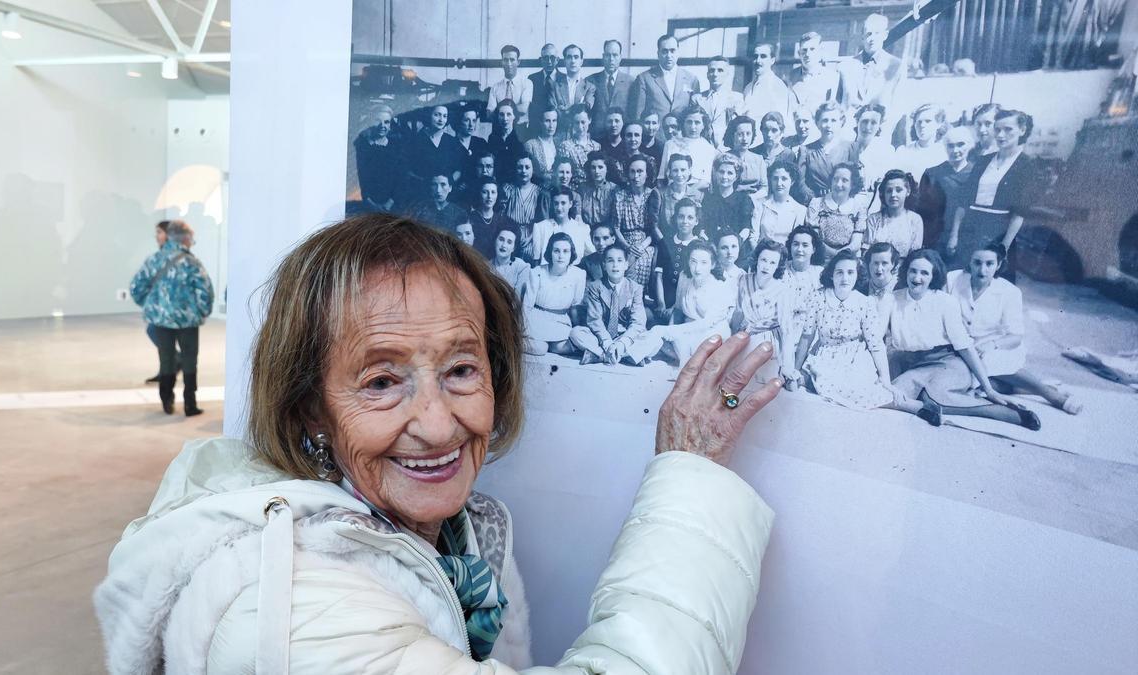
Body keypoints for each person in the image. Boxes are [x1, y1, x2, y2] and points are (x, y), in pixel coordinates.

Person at [95, 214, 781, 674]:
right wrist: (689, 473)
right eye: (383, 380)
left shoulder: (445, 534)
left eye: (460, 369)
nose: (440, 422)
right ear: (310, 408)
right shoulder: (293, 604)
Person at [885, 249, 1040, 429]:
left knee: (935, 396)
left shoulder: (945, 302)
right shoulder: (893, 299)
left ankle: (1008, 414)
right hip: (913, 366)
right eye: (913, 271)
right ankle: (927, 408)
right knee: (891, 396)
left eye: (924, 273)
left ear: (933, 276)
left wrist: (988, 389)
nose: (917, 277)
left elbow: (965, 346)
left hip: (947, 362)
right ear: (906, 272)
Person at [948, 241, 1083, 414]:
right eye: (977, 263)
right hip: (958, 346)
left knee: (987, 362)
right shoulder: (953, 279)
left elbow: (1015, 336)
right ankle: (1025, 387)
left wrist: (991, 345)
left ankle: (1049, 394)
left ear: (999, 265)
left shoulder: (1009, 292)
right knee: (966, 382)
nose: (982, 270)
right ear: (969, 261)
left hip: (994, 347)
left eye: (989, 264)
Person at [782, 250, 895, 411]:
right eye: (839, 272)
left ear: (857, 275)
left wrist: (885, 379)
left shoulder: (865, 303)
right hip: (825, 356)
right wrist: (796, 369)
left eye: (850, 272)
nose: (845, 278)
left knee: (863, 392)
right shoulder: (818, 298)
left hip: (855, 359)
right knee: (798, 384)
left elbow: (876, 345)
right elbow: (806, 337)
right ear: (831, 275)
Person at [128, 221, 214, 416]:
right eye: (191, 238)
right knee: (190, 360)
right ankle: (190, 405)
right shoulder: (192, 262)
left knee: (166, 360)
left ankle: (167, 401)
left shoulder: (154, 259)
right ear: (185, 239)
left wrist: (152, 306)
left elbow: (136, 287)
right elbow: (205, 291)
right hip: (188, 321)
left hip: (160, 320)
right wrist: (202, 312)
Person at [947, 109, 1042, 273]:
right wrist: (954, 235)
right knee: (960, 278)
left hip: (998, 234)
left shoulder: (1027, 166)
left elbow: (1019, 214)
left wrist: (1004, 247)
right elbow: (963, 202)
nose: (1000, 135)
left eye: (1008, 129)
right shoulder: (983, 161)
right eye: (997, 129)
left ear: (1022, 130)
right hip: (969, 231)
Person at [631, 240, 734, 366]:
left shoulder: (720, 286)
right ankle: (633, 355)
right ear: (688, 261)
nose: (697, 268)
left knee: (664, 335)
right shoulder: (684, 277)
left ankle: (638, 354)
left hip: (711, 333)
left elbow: (706, 323)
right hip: (686, 331)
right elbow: (678, 310)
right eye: (693, 261)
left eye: (704, 263)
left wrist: (672, 332)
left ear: (712, 265)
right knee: (659, 334)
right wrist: (669, 330)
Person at [571, 243, 648, 365]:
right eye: (610, 261)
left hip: (624, 336)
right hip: (601, 337)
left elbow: (638, 322)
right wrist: (607, 343)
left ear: (626, 264)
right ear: (604, 265)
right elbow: (594, 320)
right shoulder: (595, 286)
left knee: (653, 339)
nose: (615, 265)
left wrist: (622, 343)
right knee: (576, 333)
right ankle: (622, 356)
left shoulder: (635, 288)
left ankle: (600, 355)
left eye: (619, 260)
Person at [732, 240, 793, 383]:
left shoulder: (782, 289)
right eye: (764, 260)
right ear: (757, 260)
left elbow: (787, 329)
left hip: (769, 338)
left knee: (757, 378)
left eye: (772, 263)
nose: (766, 266)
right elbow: (738, 311)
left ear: (778, 265)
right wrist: (732, 338)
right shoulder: (743, 280)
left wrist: (787, 364)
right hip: (746, 333)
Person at [522, 233, 586, 356]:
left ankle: (554, 345)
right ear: (550, 253)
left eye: (565, 251)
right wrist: (523, 328)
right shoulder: (537, 272)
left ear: (571, 254)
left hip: (560, 321)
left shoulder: (579, 275)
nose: (561, 256)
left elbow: (576, 304)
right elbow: (527, 306)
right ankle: (511, 340)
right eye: (556, 251)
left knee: (561, 347)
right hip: (536, 319)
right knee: (540, 349)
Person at [916, 125, 976, 249]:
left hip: (966, 238)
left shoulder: (977, 174)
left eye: (960, 144)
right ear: (945, 147)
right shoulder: (932, 173)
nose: (955, 150)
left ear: (970, 145)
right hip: (935, 238)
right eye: (951, 145)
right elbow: (922, 210)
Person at [611, 156, 662, 288]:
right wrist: (628, 246)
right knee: (624, 261)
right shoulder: (620, 196)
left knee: (647, 258)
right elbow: (616, 228)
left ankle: (642, 296)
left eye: (640, 171)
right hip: (624, 242)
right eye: (632, 171)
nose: (636, 176)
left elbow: (654, 227)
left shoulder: (652, 195)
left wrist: (643, 245)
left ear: (647, 174)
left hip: (646, 242)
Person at [837, 13, 903, 112]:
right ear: (862, 36)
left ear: (885, 35)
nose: (872, 38)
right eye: (868, 33)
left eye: (877, 33)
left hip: (879, 125)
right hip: (848, 125)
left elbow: (897, 107)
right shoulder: (846, 67)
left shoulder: (896, 66)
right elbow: (837, 105)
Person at [652, 199, 702, 322]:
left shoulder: (699, 246)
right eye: (681, 217)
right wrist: (661, 304)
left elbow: (694, 284)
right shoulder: (666, 242)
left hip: (686, 301)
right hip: (664, 297)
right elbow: (659, 276)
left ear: (696, 221)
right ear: (675, 219)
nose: (685, 221)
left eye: (690, 218)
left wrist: (675, 308)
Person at [142, 221, 180, 385]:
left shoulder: (175, 253)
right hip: (161, 306)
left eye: (159, 232)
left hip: (171, 306)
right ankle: (166, 370)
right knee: (156, 332)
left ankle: (177, 361)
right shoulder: (163, 254)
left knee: (154, 331)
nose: (156, 236)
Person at [631, 34, 700, 122]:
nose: (669, 55)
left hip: (682, 133)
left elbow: (695, 114)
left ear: (678, 52)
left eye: (672, 51)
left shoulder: (692, 79)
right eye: (664, 51)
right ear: (658, 53)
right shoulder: (644, 78)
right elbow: (638, 114)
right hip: (655, 133)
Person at [806, 162, 867, 260]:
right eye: (835, 179)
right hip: (820, 258)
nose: (839, 184)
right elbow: (814, 238)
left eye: (845, 180)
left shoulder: (859, 208)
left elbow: (856, 243)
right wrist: (833, 254)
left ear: (852, 184)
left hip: (847, 259)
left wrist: (840, 255)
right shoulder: (816, 203)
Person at [797, 102, 856, 201]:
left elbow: (856, 181)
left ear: (841, 122)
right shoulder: (805, 151)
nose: (829, 125)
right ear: (817, 123)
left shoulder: (851, 148)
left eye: (833, 120)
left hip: (843, 202)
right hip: (815, 203)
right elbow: (800, 183)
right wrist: (817, 201)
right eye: (825, 120)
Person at [406, 105, 461, 206]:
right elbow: (408, 170)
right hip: (422, 194)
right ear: (428, 115)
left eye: (445, 116)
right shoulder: (416, 141)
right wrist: (425, 183)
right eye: (437, 115)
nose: (441, 119)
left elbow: (459, 169)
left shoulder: (453, 141)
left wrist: (448, 185)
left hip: (447, 195)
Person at [742, 42, 797, 143]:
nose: (758, 61)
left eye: (763, 56)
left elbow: (781, 122)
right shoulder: (748, 88)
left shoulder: (777, 86)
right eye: (755, 57)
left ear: (772, 60)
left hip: (766, 144)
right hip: (748, 144)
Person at [780, 225, 825, 347]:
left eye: (805, 245)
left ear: (813, 249)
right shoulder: (780, 271)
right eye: (795, 244)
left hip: (809, 332)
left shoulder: (821, 275)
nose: (800, 249)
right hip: (783, 328)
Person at [353, 104, 403, 211]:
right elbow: (360, 178)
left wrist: (389, 203)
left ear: (390, 125)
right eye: (377, 121)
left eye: (386, 122)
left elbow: (401, 177)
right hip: (367, 204)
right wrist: (370, 203)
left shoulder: (397, 147)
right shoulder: (363, 147)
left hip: (392, 205)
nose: (382, 125)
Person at [699, 153, 755, 245]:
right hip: (712, 246)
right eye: (721, 172)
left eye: (730, 173)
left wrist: (735, 244)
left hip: (736, 247)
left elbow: (746, 228)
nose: (725, 177)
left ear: (736, 176)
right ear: (716, 173)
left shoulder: (744, 199)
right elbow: (703, 228)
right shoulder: (708, 198)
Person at [865, 169, 923, 258]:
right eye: (889, 191)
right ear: (883, 193)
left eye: (898, 190)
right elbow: (866, 253)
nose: (893, 195)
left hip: (904, 269)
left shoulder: (915, 220)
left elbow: (915, 256)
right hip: (877, 269)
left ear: (908, 192)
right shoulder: (873, 219)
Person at [530, 187, 593, 265]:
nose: (559, 208)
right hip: (547, 274)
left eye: (563, 203)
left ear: (570, 204)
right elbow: (536, 259)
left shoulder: (582, 229)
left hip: (574, 274)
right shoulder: (540, 227)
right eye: (556, 203)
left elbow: (592, 255)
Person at [586, 40, 634, 136]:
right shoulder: (591, 80)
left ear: (620, 57)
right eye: (608, 55)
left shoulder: (631, 82)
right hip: (598, 136)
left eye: (615, 55)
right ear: (603, 57)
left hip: (621, 137)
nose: (611, 59)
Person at [693, 56, 744, 147]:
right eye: (712, 70)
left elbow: (738, 128)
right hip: (702, 148)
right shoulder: (697, 99)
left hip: (727, 148)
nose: (715, 74)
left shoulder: (737, 99)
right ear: (707, 74)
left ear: (727, 74)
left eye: (720, 70)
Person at [660, 105, 717, 185]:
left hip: (697, 192)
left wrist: (687, 192)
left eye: (697, 123)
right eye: (689, 122)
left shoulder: (709, 149)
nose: (692, 127)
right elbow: (661, 177)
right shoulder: (670, 144)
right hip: (672, 191)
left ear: (703, 125)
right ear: (683, 123)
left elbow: (706, 180)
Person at [500, 156, 542, 262]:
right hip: (510, 236)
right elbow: (500, 218)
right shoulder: (507, 189)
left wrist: (530, 237)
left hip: (532, 237)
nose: (523, 171)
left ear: (533, 170)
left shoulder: (539, 193)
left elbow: (541, 221)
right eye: (520, 167)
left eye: (527, 167)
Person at [893, 103, 947, 184]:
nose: (922, 125)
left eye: (928, 121)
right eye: (919, 122)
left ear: (938, 124)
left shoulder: (945, 154)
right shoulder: (903, 152)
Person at [754, 162, 807, 245]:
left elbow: (795, 241)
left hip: (785, 255)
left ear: (792, 181)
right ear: (770, 180)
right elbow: (753, 237)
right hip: (760, 254)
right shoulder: (760, 204)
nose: (779, 183)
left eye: (784, 179)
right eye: (775, 178)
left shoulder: (800, 210)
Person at [789, 32, 840, 116]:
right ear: (799, 53)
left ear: (820, 51)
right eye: (804, 50)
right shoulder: (791, 76)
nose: (807, 54)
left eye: (812, 49)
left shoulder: (833, 77)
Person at [467, 177, 516, 259]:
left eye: (493, 192)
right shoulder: (470, 218)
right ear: (479, 193)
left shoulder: (502, 220)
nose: (489, 196)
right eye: (485, 192)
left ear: (497, 195)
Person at [851, 103, 894, 197]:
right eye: (864, 121)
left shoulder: (886, 151)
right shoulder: (846, 148)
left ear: (879, 125)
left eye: (873, 122)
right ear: (857, 122)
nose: (868, 127)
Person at [720, 115, 768, 198]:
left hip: (754, 201)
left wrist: (751, 198)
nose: (745, 138)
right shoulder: (723, 158)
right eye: (740, 134)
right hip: (729, 202)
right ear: (733, 135)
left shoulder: (758, 160)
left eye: (748, 134)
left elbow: (764, 188)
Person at [487, 45, 534, 126]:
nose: (509, 64)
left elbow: (523, 109)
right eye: (505, 60)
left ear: (518, 62)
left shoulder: (527, 83)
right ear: (502, 62)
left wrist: (500, 111)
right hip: (499, 130)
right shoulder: (495, 87)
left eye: (512, 60)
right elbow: (489, 113)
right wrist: (513, 109)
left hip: (520, 131)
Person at [657, 153, 701, 240]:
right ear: (670, 172)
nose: (679, 174)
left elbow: (699, 226)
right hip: (665, 243)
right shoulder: (660, 194)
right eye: (675, 170)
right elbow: (655, 226)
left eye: (683, 170)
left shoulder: (698, 196)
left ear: (689, 171)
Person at [556, 104, 600, 188]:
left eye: (583, 122)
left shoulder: (597, 146)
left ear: (589, 120)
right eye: (577, 123)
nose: (580, 127)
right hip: (573, 190)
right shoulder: (565, 146)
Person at [577, 151, 616, 229]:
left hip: (607, 233)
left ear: (607, 169)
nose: (597, 171)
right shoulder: (582, 189)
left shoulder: (614, 189)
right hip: (586, 231)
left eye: (600, 167)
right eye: (593, 168)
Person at [537, 158, 585, 222]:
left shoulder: (575, 197)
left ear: (571, 175)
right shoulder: (546, 195)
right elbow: (544, 222)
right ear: (554, 173)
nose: (564, 176)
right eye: (561, 172)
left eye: (567, 172)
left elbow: (577, 221)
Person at [452, 107, 490, 185]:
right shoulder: (450, 144)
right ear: (459, 121)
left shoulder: (481, 143)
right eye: (466, 120)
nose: (471, 124)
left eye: (474, 120)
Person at [490, 220, 530, 294]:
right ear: (495, 241)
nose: (504, 245)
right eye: (501, 239)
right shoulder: (486, 266)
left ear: (514, 248)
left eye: (509, 242)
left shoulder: (522, 267)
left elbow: (517, 300)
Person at [487, 100, 526, 172]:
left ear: (514, 116)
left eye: (509, 114)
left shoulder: (520, 138)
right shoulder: (492, 138)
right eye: (501, 114)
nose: (505, 118)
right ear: (498, 117)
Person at [555, 44, 593, 114]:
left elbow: (586, 109)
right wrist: (578, 107)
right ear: (564, 61)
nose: (573, 61)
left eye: (576, 57)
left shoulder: (589, 87)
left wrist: (564, 108)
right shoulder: (555, 85)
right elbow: (555, 110)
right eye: (569, 57)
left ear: (581, 61)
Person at [528, 43, 563, 117]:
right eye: (546, 58)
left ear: (557, 60)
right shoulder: (532, 79)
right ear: (541, 60)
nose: (549, 62)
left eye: (552, 58)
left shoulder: (565, 79)